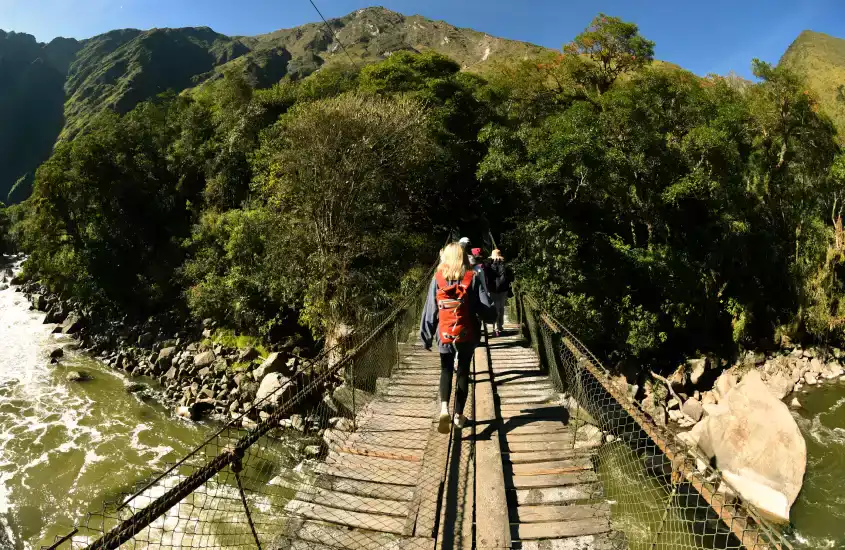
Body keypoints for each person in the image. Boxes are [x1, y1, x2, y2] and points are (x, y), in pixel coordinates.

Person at [420, 242, 496, 433]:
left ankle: (444, 408)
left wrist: (426, 336)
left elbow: (430, 310)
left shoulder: (437, 279)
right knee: (463, 372)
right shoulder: (473, 277)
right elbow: (485, 309)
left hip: (444, 335)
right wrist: (490, 314)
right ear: (463, 257)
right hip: (466, 334)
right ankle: (459, 415)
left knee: (445, 370)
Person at [488, 249, 513, 337]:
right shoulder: (505, 266)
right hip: (503, 290)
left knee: (495, 308)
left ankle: (495, 327)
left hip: (493, 290)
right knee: (501, 308)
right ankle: (500, 326)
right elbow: (510, 277)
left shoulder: (489, 266)